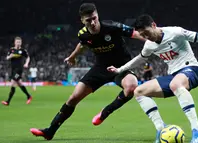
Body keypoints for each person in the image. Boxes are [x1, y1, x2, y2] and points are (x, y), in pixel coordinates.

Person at [30, 3, 161, 140]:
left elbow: (135, 33)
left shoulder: (112, 26)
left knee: (131, 87)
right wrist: (73, 56)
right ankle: (50, 131)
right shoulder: (83, 34)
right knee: (73, 98)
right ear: (82, 21)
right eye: (88, 20)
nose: (92, 22)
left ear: (97, 15)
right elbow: (82, 44)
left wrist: (156, 41)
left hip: (120, 67)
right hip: (100, 68)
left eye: (94, 18)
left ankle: (104, 113)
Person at [107, 14, 198, 143]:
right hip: (174, 76)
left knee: (175, 84)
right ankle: (160, 128)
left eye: (146, 33)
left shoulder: (176, 32)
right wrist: (120, 69)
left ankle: (197, 129)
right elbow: (140, 59)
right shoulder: (149, 45)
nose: (146, 37)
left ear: (154, 25)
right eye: (142, 35)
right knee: (139, 91)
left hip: (191, 69)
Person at [1, 37, 33, 106]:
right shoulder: (11, 50)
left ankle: (8, 101)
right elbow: (7, 58)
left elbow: (28, 57)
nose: (18, 43)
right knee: (19, 83)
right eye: (17, 42)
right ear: (15, 42)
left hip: (19, 70)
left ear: (21, 43)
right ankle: (29, 96)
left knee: (13, 82)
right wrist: (10, 56)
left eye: (19, 42)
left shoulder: (23, 50)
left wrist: (26, 63)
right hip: (13, 70)